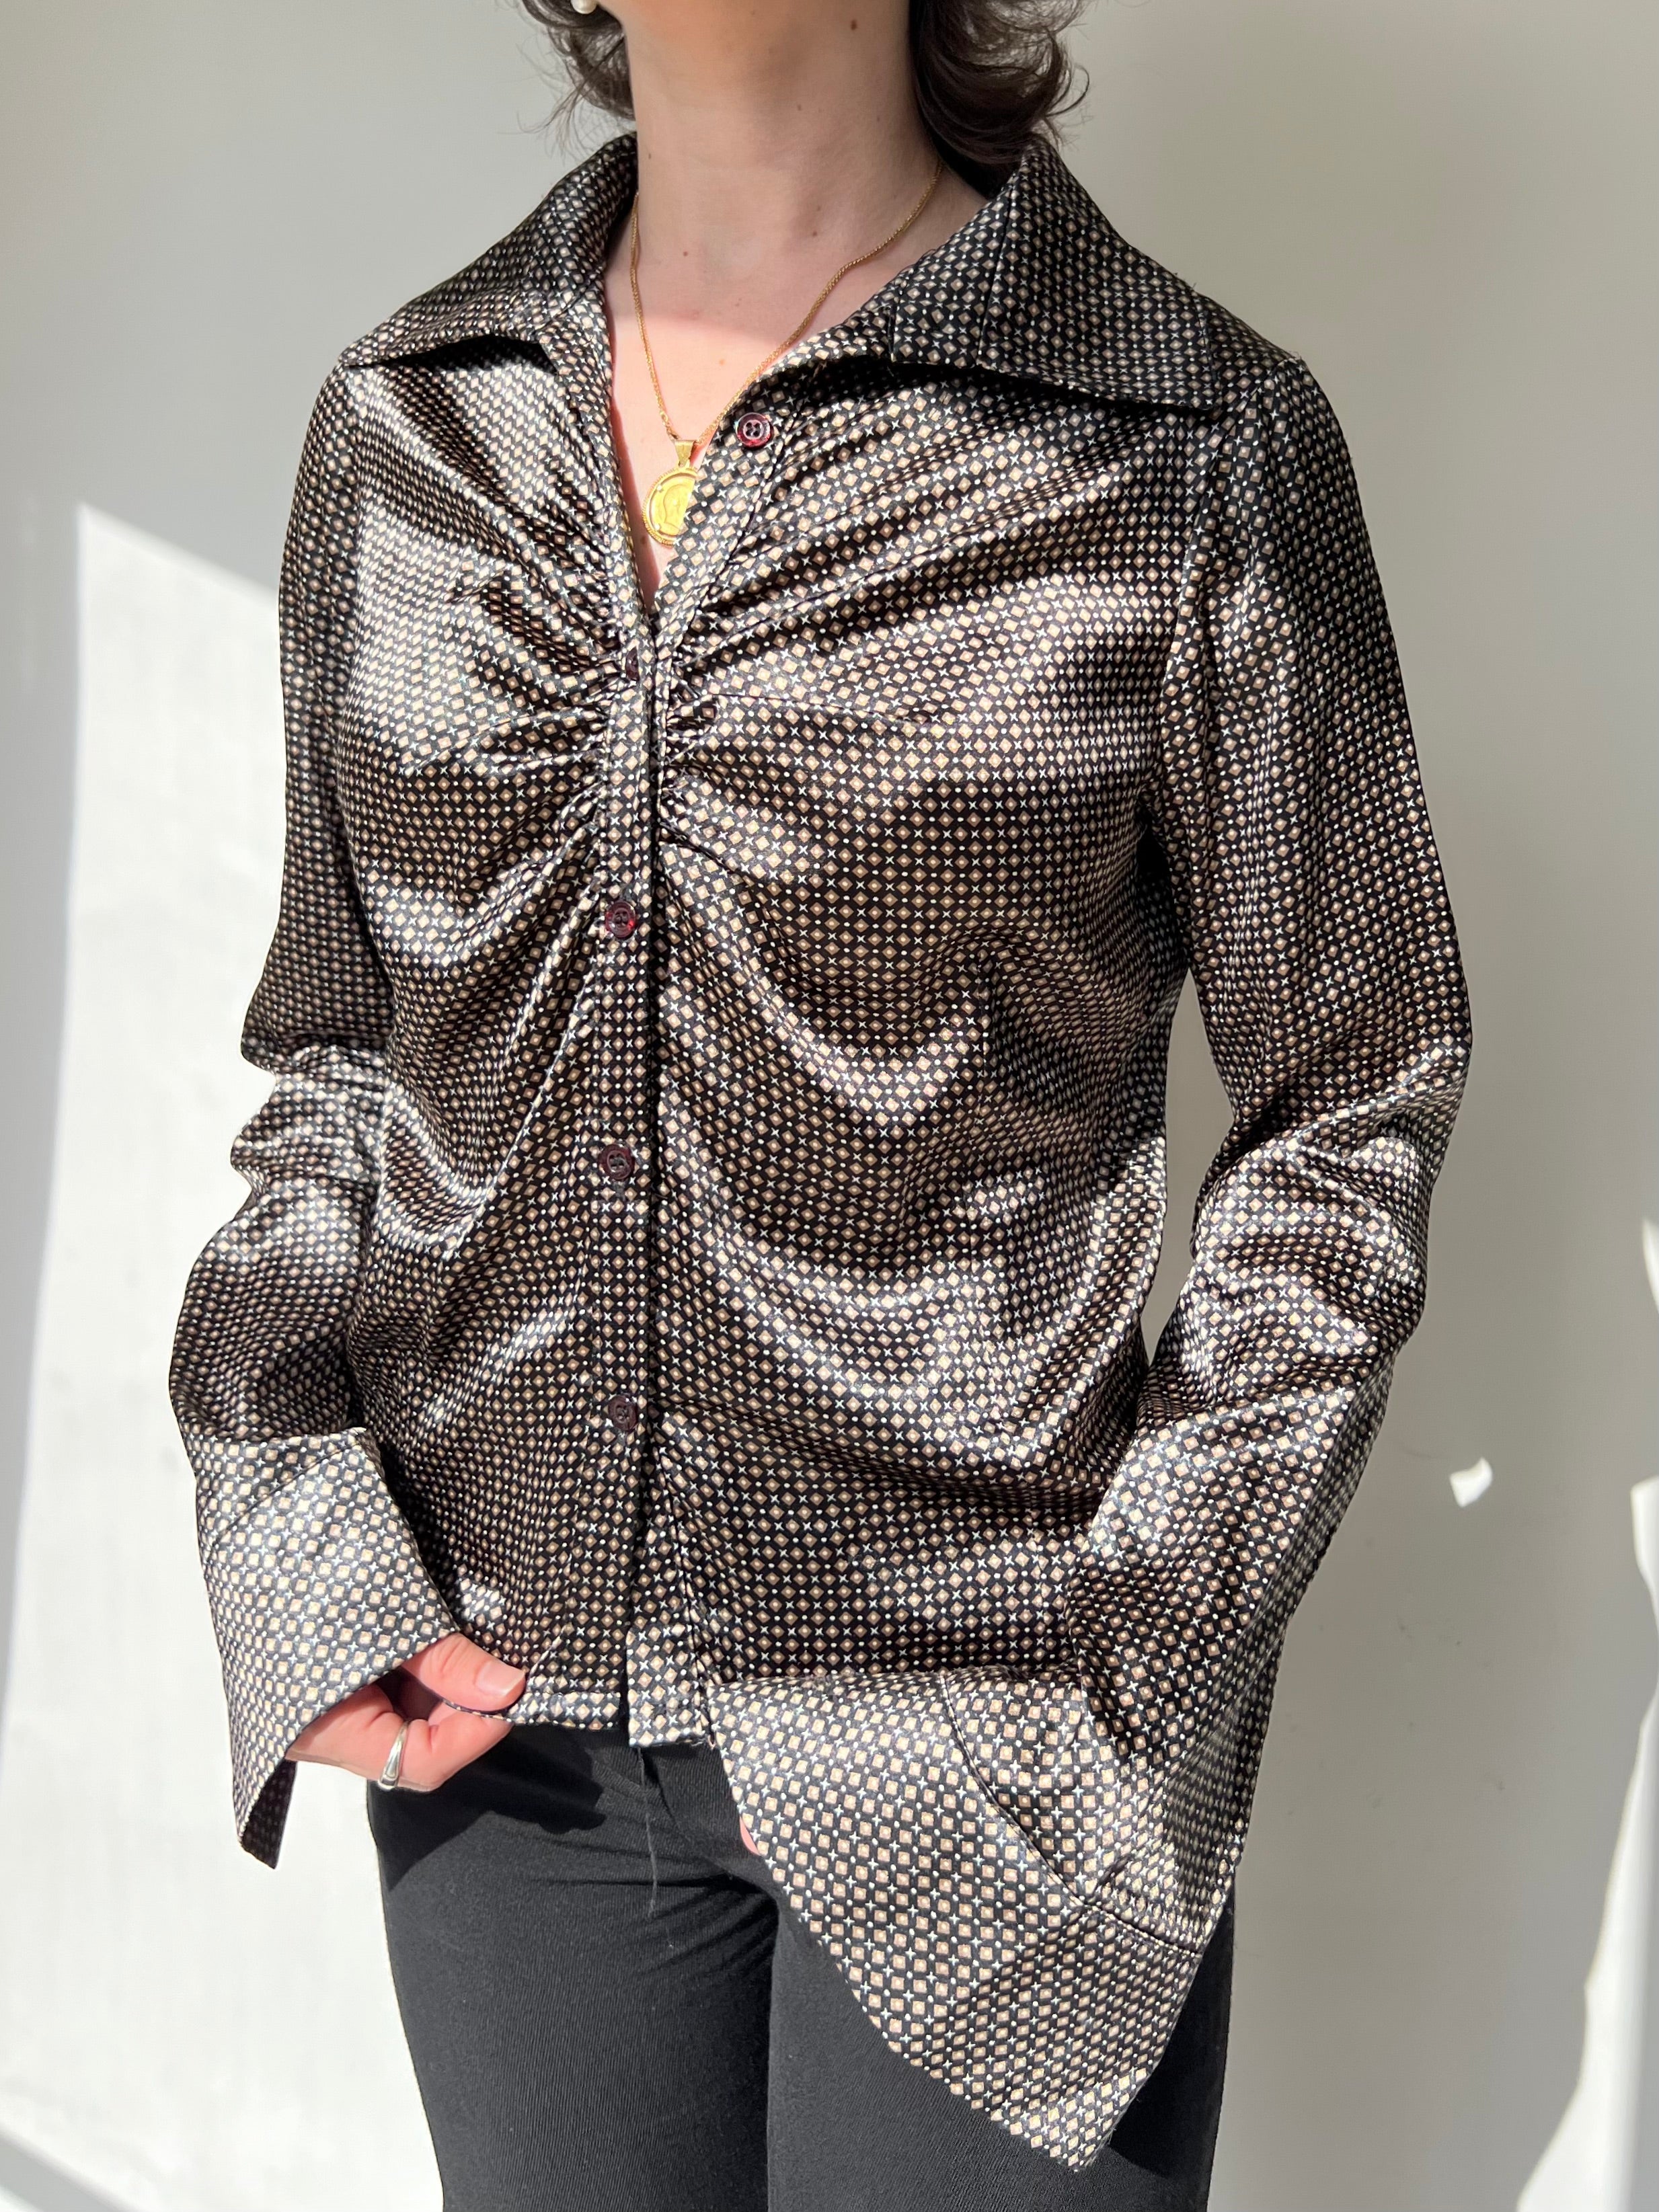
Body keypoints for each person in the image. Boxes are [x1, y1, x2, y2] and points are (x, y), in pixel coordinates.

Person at [169, 3, 1471, 2207]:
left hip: (1002, 1753)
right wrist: (297, 1530)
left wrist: (1133, 1661)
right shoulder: (409, 422)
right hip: (506, 1754)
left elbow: (1351, 1090)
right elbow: (342, 1050)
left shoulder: (1182, 434)